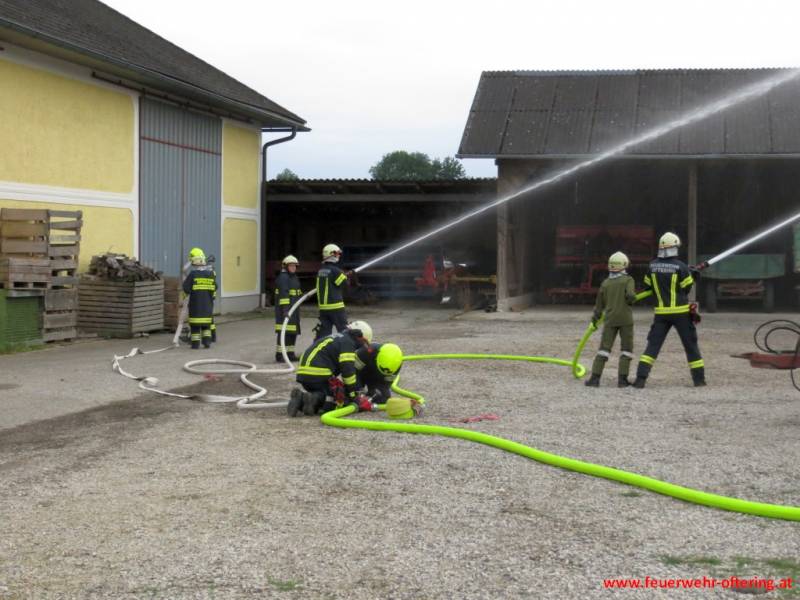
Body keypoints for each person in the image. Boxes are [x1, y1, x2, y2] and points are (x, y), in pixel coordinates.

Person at [633, 232, 705, 388]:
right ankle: (699, 380)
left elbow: (648, 287)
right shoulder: (681, 266)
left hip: (661, 314)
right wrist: (692, 276)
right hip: (681, 313)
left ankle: (640, 379)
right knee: (690, 346)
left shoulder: (652, 266)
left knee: (653, 346)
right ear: (674, 248)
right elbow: (686, 289)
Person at [287, 321, 374, 417]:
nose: (362, 346)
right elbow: (348, 370)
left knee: (324, 393)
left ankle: (300, 399)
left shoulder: (338, 337)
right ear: (360, 337)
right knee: (340, 400)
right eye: (364, 343)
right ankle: (313, 398)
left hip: (304, 374)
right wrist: (353, 394)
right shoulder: (348, 343)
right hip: (318, 374)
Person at [585, 251, 637, 388]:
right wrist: (632, 300)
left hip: (609, 320)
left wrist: (594, 321)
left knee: (604, 349)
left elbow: (598, 306)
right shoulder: (628, 280)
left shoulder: (605, 283)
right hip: (625, 320)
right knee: (626, 349)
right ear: (624, 265)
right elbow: (631, 295)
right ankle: (622, 380)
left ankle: (594, 379)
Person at [182, 247, 216, 349]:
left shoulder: (193, 274)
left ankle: (195, 344)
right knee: (206, 327)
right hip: (208, 306)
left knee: (195, 328)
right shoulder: (210, 274)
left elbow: (186, 289)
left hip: (196, 307)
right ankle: (207, 342)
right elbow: (215, 287)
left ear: (193, 262)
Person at [315, 243, 350, 339]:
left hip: (323, 309)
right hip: (336, 308)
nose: (339, 256)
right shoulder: (336, 271)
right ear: (332, 254)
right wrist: (347, 277)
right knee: (344, 332)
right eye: (337, 254)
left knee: (324, 335)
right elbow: (345, 285)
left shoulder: (321, 271)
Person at [274, 254, 303, 362]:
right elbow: (284, 295)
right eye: (291, 266)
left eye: (295, 266)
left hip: (293, 310)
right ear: (285, 266)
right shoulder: (283, 278)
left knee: (292, 332)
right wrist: (285, 310)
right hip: (285, 310)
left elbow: (296, 292)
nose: (293, 268)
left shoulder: (293, 277)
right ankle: (280, 354)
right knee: (284, 332)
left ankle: (290, 354)